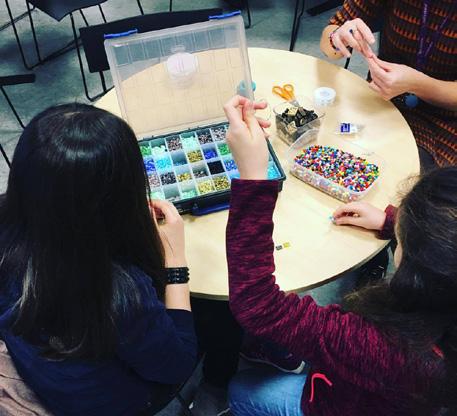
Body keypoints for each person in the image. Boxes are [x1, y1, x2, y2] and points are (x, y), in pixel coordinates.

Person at [224, 95, 457, 415]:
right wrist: (390, 222)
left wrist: (253, 178)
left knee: (240, 390)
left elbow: (258, 304)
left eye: (401, 239)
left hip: (333, 404)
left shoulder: (384, 348)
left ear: (421, 273)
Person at [0, 103, 197, 415]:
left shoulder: (9, 222)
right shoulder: (120, 292)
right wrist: (176, 259)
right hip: (114, 403)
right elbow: (177, 364)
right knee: (212, 320)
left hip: (50, 377)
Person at [320, 0, 457, 171]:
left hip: (445, 120)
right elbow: (329, 40)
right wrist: (337, 38)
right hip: (381, 100)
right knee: (324, 143)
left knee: (409, 180)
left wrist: (417, 84)